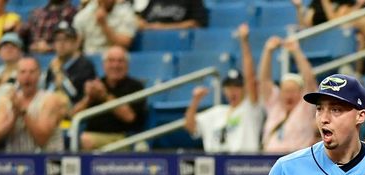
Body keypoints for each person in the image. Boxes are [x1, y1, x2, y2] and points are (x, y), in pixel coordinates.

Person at [185, 24, 262, 154]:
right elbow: (190, 127)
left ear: (244, 89)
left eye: (237, 87)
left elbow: (250, 77)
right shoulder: (217, 111)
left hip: (244, 165)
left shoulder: (250, 108)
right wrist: (195, 101)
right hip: (216, 166)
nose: (232, 91)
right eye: (228, 87)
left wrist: (244, 42)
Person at [72, 45, 144, 150]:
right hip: (91, 134)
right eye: (111, 61)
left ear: (127, 65)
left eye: (120, 61)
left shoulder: (135, 86)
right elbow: (73, 116)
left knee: (84, 140)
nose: (115, 65)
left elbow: (129, 117)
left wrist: (105, 96)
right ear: (104, 64)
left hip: (123, 137)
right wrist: (88, 98)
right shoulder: (97, 84)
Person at [0, 56, 66, 152]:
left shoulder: (50, 99)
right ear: (17, 75)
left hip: (47, 162)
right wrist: (14, 117)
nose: (27, 76)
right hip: (16, 162)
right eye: (23, 72)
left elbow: (42, 139)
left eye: (32, 72)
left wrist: (23, 112)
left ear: (39, 74)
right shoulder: (7, 100)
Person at [258, 35, 317, 154]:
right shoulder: (274, 106)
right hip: (268, 162)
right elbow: (264, 80)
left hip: (297, 162)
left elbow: (309, 79)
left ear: (301, 93)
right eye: (285, 91)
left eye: (292, 91)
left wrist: (296, 51)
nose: (288, 95)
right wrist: (267, 51)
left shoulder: (304, 107)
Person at [42, 21, 96, 107]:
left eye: (66, 39)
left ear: (75, 43)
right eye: (58, 40)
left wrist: (60, 76)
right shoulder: (53, 64)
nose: (61, 43)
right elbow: (45, 91)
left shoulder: (84, 65)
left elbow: (75, 96)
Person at [136, 0, 207, 31]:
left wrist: (163, 28)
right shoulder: (155, 0)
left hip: (177, 42)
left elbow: (197, 23)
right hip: (151, 42)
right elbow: (142, 20)